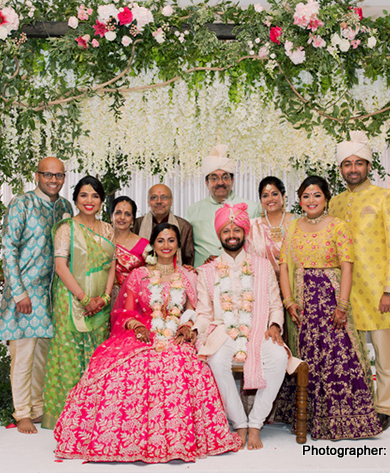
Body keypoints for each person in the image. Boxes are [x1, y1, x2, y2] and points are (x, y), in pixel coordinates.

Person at [54, 223, 242, 462]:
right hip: (142, 333)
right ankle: (127, 439)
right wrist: (139, 326)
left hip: (175, 334)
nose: (166, 245)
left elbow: (194, 312)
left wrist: (186, 328)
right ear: (153, 244)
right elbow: (126, 313)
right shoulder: (138, 275)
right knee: (126, 368)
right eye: (161, 240)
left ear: (178, 245)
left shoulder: (187, 276)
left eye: (171, 240)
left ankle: (175, 438)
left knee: (181, 361)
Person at [276, 175, 382, 441]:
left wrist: (342, 305)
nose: (311, 201)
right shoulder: (293, 228)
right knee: (307, 357)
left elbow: (347, 266)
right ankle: (308, 417)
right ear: (299, 200)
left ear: (326, 198)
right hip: (302, 303)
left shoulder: (338, 226)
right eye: (306, 196)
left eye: (317, 195)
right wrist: (288, 301)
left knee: (338, 357)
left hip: (331, 297)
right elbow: (285, 266)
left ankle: (345, 418)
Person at [328, 131, 390, 431]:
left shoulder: (386, 197)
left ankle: (383, 407)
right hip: (346, 293)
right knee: (353, 354)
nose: (353, 169)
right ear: (340, 169)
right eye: (347, 164)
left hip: (377, 291)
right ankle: (359, 403)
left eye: (358, 163)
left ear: (368, 165)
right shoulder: (334, 203)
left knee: (384, 355)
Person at [194, 204, 289, 450]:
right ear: (219, 235)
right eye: (226, 230)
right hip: (223, 331)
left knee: (279, 358)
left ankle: (256, 422)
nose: (232, 235)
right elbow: (204, 312)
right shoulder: (206, 272)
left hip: (259, 329)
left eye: (237, 229)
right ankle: (240, 423)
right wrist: (197, 330)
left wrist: (276, 324)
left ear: (245, 232)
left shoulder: (263, 265)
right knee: (216, 362)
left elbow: (275, 304)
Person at [0, 157, 73, 434]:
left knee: (44, 354)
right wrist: (18, 293)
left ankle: (38, 407)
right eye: (48, 175)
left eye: (59, 176)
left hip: (52, 293)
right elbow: (9, 248)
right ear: (37, 175)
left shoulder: (65, 207)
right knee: (23, 353)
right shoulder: (22, 203)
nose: (53, 180)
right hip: (26, 292)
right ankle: (22, 413)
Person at [41, 176, 115, 429]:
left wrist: (104, 297)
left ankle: (95, 412)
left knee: (97, 355)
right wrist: (84, 298)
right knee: (70, 354)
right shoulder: (66, 229)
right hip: (71, 300)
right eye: (84, 195)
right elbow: (60, 267)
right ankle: (67, 416)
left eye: (95, 195)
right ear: (75, 200)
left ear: (102, 201)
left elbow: (111, 265)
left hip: (100, 304)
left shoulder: (108, 229)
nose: (89, 201)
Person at [186, 144, 260, 267]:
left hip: (242, 273)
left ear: (232, 180)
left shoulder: (252, 208)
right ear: (206, 182)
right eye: (214, 178)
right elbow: (186, 249)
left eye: (225, 177)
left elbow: (257, 246)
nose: (220, 182)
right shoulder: (193, 210)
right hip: (202, 274)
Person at [133, 184, 195, 266]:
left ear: (171, 201)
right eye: (154, 197)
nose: (159, 201)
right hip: (143, 275)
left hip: (175, 275)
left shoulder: (184, 226)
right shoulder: (137, 224)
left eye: (164, 197)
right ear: (148, 202)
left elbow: (188, 259)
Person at [247, 176, 294, 275]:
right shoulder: (253, 226)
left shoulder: (297, 222)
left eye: (275, 194)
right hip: (263, 284)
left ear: (283, 196)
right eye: (265, 196)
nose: (270, 199)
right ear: (260, 200)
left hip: (294, 282)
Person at [111, 196, 148, 293]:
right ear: (111, 216)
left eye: (127, 214)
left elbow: (154, 274)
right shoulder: (102, 241)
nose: (122, 217)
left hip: (133, 298)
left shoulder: (144, 245)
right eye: (118, 212)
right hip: (105, 299)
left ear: (132, 220)